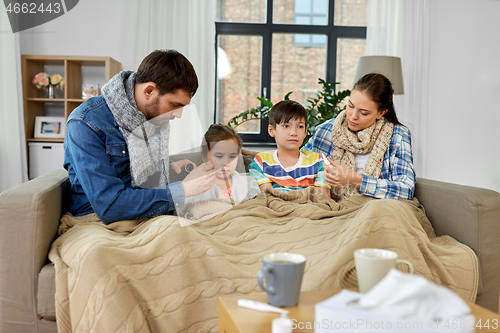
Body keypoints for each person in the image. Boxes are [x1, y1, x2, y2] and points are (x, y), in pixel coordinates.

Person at [63, 49, 216, 223]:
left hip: (147, 213)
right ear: (149, 91)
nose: (179, 115)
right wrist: (184, 189)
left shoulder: (151, 117)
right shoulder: (85, 123)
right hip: (99, 219)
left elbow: (132, 169)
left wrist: (168, 168)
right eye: (175, 105)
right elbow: (109, 206)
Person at [302, 73, 416, 201]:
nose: (353, 116)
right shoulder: (326, 130)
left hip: (374, 207)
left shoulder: (398, 136)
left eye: (364, 112)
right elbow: (295, 165)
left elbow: (406, 190)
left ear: (381, 113)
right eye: (350, 105)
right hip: (332, 207)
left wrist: (354, 179)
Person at [248, 100, 331, 198]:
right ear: (271, 130)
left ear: (305, 132)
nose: (293, 133)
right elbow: (268, 198)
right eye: (286, 126)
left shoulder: (317, 161)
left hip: (310, 209)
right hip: (277, 209)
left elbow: (323, 199)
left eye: (300, 126)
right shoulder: (261, 162)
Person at [183, 124, 260, 205]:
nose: (226, 163)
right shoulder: (193, 188)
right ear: (204, 156)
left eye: (232, 156)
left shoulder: (249, 184)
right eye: (219, 156)